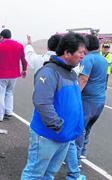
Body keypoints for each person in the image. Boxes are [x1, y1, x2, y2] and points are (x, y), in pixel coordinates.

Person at [21, 33, 86, 179]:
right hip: (48, 135)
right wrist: (58, 125)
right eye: (80, 52)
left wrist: (74, 127)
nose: (83, 56)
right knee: (34, 174)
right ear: (67, 52)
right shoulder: (49, 72)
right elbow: (42, 102)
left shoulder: (72, 73)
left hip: (64, 135)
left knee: (50, 173)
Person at [76, 35, 108, 160]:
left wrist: (75, 95)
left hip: (88, 100)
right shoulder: (103, 59)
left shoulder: (88, 59)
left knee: (80, 127)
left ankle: (76, 157)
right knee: (88, 127)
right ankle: (83, 151)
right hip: (100, 99)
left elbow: (83, 79)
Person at [0, 29, 27, 121]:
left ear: (2, 37)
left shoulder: (0, 46)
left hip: (2, 74)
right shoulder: (19, 45)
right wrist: (25, 70)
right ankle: (8, 111)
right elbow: (23, 60)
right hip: (14, 74)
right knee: (9, 93)